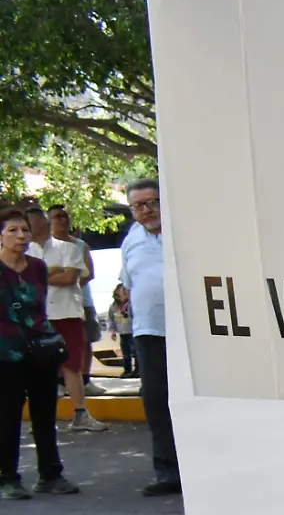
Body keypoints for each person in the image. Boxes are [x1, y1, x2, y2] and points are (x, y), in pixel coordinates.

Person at [0, 208, 78, 498]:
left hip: (40, 349)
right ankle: (7, 478)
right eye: (12, 230)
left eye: (24, 230)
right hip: (6, 353)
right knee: (7, 416)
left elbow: (40, 306)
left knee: (44, 414)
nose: (20, 236)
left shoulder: (37, 267)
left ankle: (50, 474)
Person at [118, 178, 181, 496]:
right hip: (148, 331)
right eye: (138, 206)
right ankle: (167, 471)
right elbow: (127, 284)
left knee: (194, 398)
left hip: (186, 329)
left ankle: (202, 468)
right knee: (156, 400)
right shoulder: (131, 239)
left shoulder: (183, 231)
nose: (146, 210)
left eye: (152, 202)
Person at [37, 206, 106, 432]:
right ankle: (42, 417)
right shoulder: (27, 250)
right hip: (40, 314)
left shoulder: (73, 247)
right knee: (42, 367)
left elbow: (71, 277)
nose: (63, 220)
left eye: (65, 215)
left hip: (69, 312)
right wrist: (52, 273)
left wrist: (42, 276)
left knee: (72, 364)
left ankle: (80, 414)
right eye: (57, 217)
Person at [108, 284, 136, 377]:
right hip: (123, 333)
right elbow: (111, 319)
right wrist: (112, 331)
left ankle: (137, 370)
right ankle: (127, 370)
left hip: (132, 331)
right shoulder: (113, 307)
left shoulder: (131, 304)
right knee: (125, 353)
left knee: (135, 352)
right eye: (121, 291)